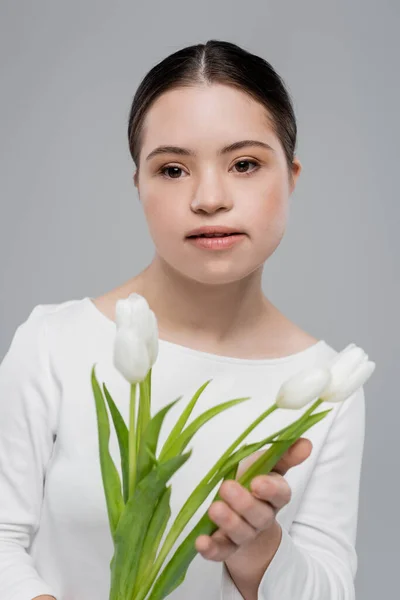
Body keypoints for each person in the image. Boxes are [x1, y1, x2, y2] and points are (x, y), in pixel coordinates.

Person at [0, 40, 366, 600]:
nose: (209, 197)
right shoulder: (53, 343)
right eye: (172, 169)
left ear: (290, 177)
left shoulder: (328, 387)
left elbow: (332, 589)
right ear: (138, 186)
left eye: (244, 164)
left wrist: (260, 549)